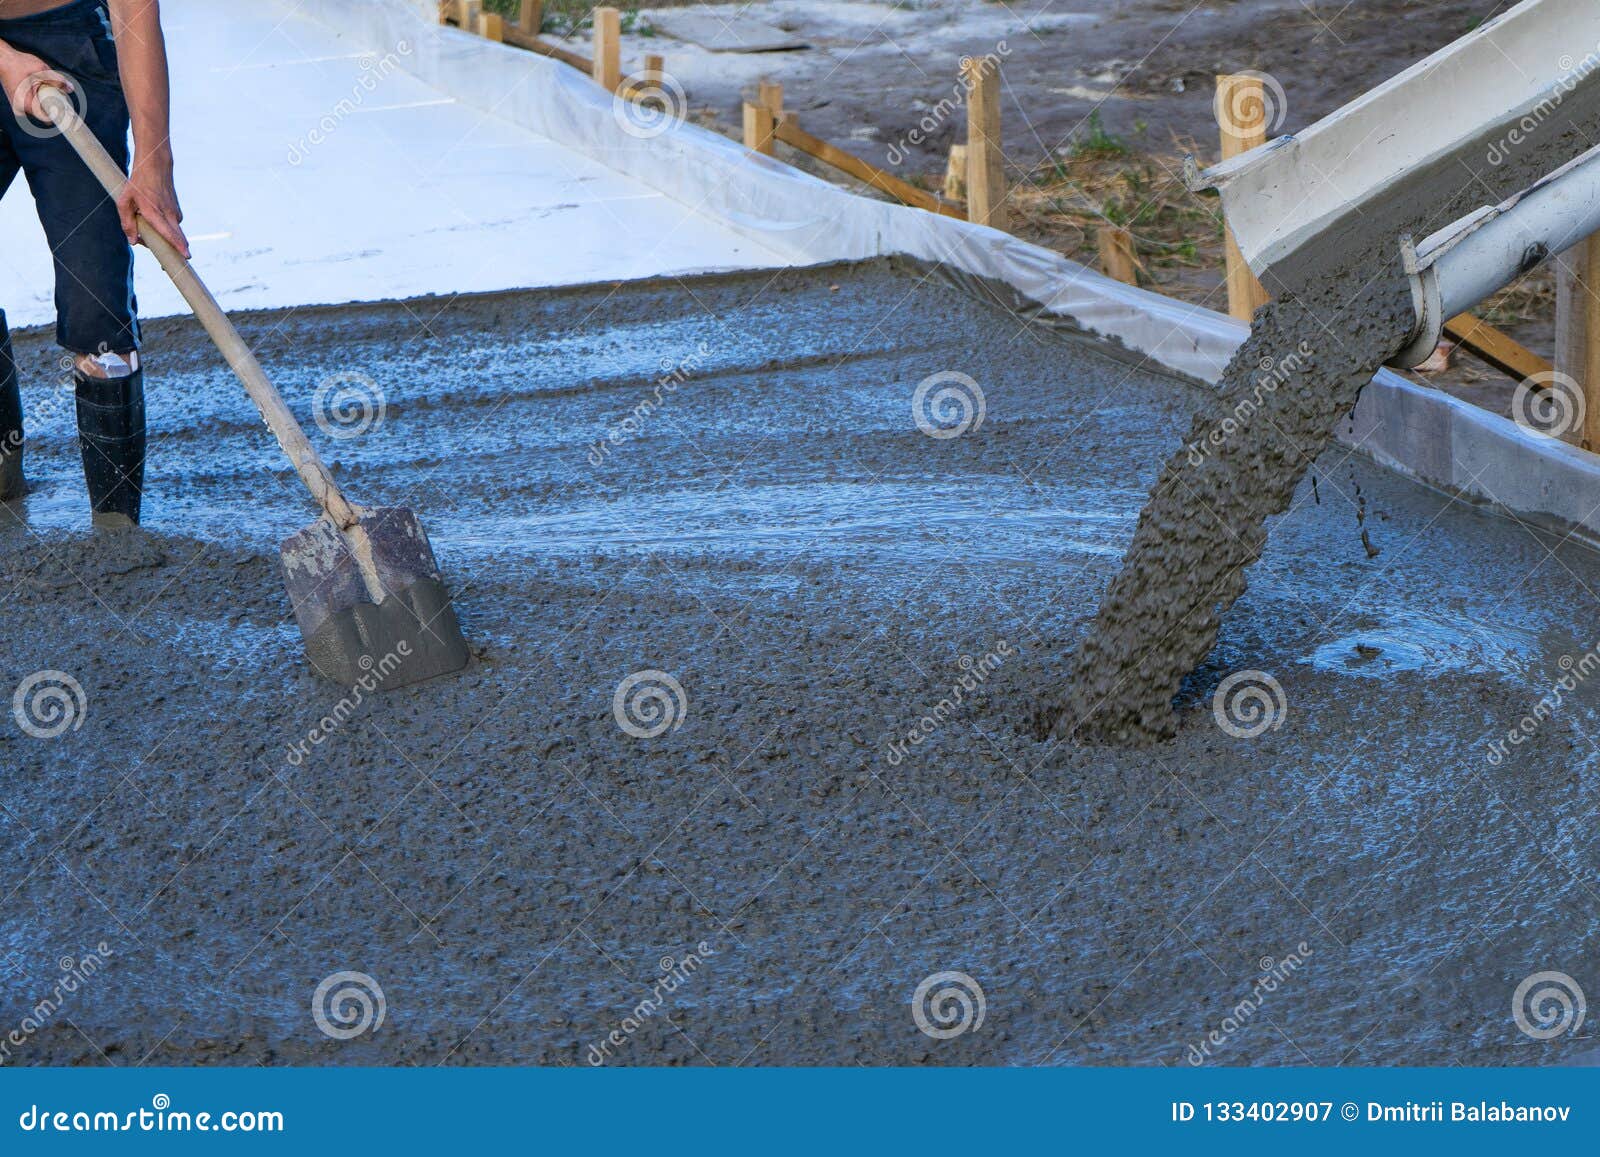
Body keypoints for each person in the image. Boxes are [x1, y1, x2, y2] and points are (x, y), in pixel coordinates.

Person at [0, 0, 187, 527]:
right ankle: (2, 472)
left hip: (71, 53)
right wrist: (6, 62)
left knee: (97, 302)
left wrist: (154, 162)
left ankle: (117, 530)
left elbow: (134, 6)